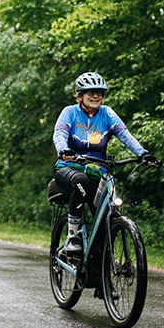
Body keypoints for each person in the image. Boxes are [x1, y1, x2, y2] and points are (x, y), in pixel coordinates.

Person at [52, 72, 158, 253]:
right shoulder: (69, 112)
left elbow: (125, 135)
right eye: (90, 92)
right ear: (80, 95)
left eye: (99, 92)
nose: (96, 96)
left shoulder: (107, 113)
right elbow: (59, 134)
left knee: (105, 219)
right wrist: (64, 150)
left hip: (98, 171)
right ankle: (72, 237)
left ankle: (97, 267)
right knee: (80, 182)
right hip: (69, 167)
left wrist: (143, 153)